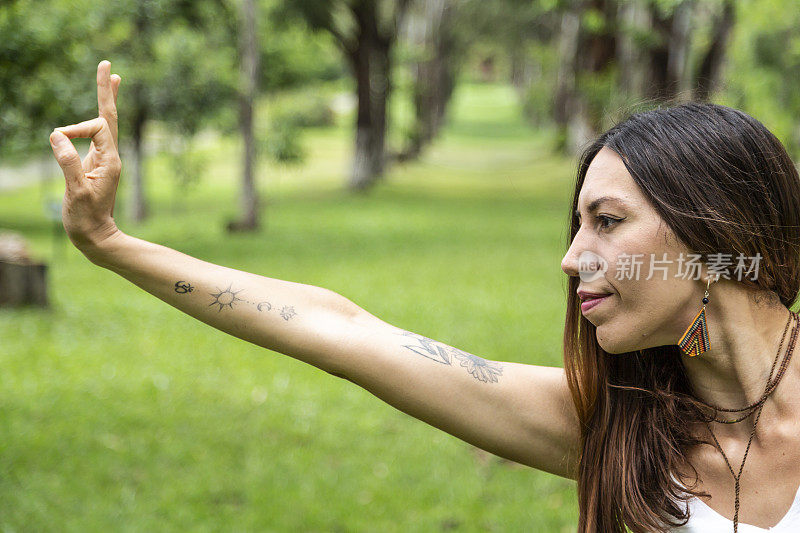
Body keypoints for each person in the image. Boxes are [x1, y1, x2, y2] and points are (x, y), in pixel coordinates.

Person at [48, 61, 800, 533]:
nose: (573, 260)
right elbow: (339, 329)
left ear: (715, 231)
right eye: (578, 224)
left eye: (607, 222)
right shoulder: (615, 429)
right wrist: (111, 244)